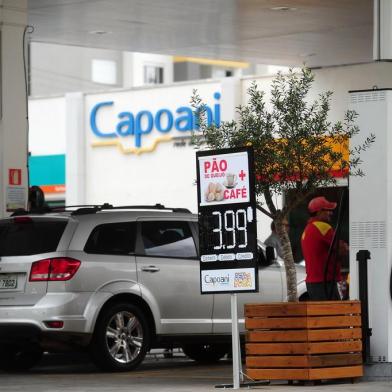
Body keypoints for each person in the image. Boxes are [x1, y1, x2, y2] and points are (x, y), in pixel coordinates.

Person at [301, 196, 349, 300]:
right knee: (335, 315)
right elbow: (342, 250)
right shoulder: (323, 227)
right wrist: (344, 246)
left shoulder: (307, 229)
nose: (331, 213)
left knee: (322, 314)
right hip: (325, 283)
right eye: (328, 210)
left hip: (312, 283)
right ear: (319, 212)